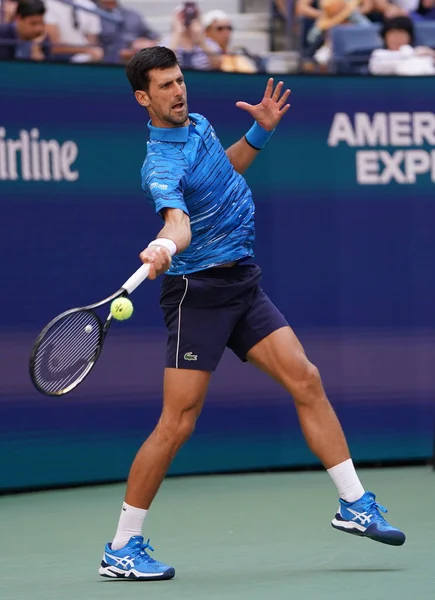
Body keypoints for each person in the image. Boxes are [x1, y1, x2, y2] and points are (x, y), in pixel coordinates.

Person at [98, 46, 406, 582]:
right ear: (142, 97)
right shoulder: (160, 163)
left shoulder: (197, 125)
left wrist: (259, 133)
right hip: (199, 292)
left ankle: (354, 504)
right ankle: (122, 547)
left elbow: (225, 170)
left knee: (306, 379)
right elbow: (178, 222)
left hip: (241, 280)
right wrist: (165, 246)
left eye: (179, 80)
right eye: (165, 86)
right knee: (178, 423)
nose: (179, 91)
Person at [369, 15, 435, 73]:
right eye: (393, 35)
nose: (397, 39)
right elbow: (380, 68)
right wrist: (414, 53)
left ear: (410, 38)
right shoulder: (378, 54)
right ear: (385, 37)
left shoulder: (422, 52)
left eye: (402, 35)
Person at [164, 4, 220, 70]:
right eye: (183, 16)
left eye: (193, 16)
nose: (188, 20)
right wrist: (177, 32)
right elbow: (163, 65)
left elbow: (218, 64)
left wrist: (202, 42)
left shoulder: (209, 43)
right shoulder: (167, 42)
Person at [203, 9, 258, 73]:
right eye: (220, 28)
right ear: (206, 31)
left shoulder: (238, 58)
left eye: (229, 28)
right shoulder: (200, 59)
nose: (226, 32)